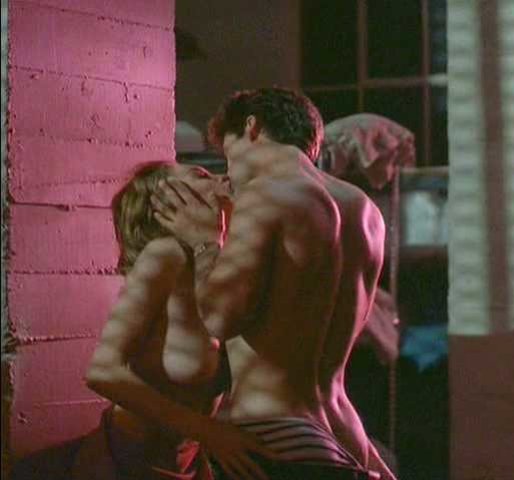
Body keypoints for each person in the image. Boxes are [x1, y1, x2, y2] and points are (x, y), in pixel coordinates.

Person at [151, 88, 397, 480]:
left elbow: (220, 318)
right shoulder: (364, 211)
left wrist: (204, 242)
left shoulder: (265, 193)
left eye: (230, 157)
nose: (230, 174)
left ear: (251, 126)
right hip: (343, 432)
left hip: (271, 430)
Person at [84, 161, 272, 480]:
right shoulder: (163, 255)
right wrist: (209, 431)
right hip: (131, 462)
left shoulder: (215, 265)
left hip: (188, 461)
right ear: (166, 202)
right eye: (200, 175)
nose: (223, 177)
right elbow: (101, 372)